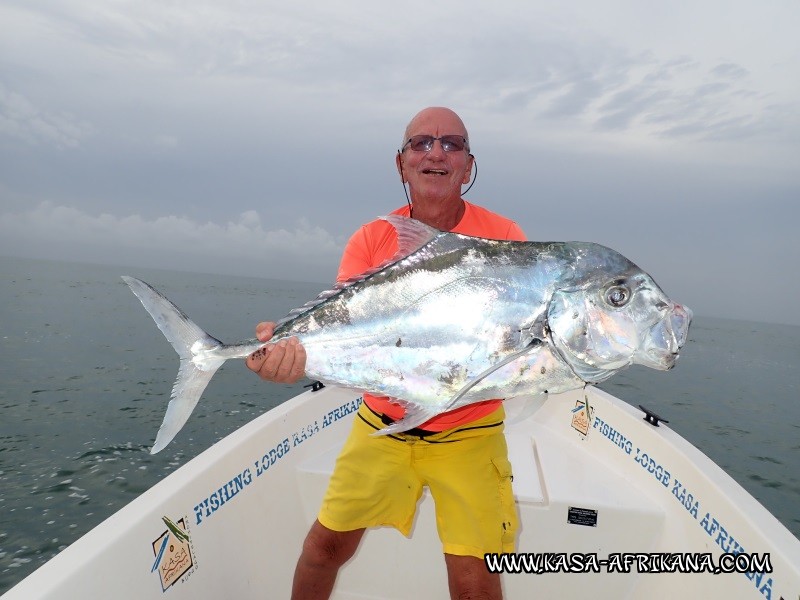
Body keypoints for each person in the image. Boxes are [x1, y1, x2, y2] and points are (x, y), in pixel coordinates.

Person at [246, 107, 526, 600]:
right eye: (421, 143)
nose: (436, 152)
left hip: (469, 428)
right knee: (324, 548)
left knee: (475, 578)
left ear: (468, 165)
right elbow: (346, 335)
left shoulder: (505, 240)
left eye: (451, 144)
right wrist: (292, 356)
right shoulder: (373, 238)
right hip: (382, 424)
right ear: (401, 164)